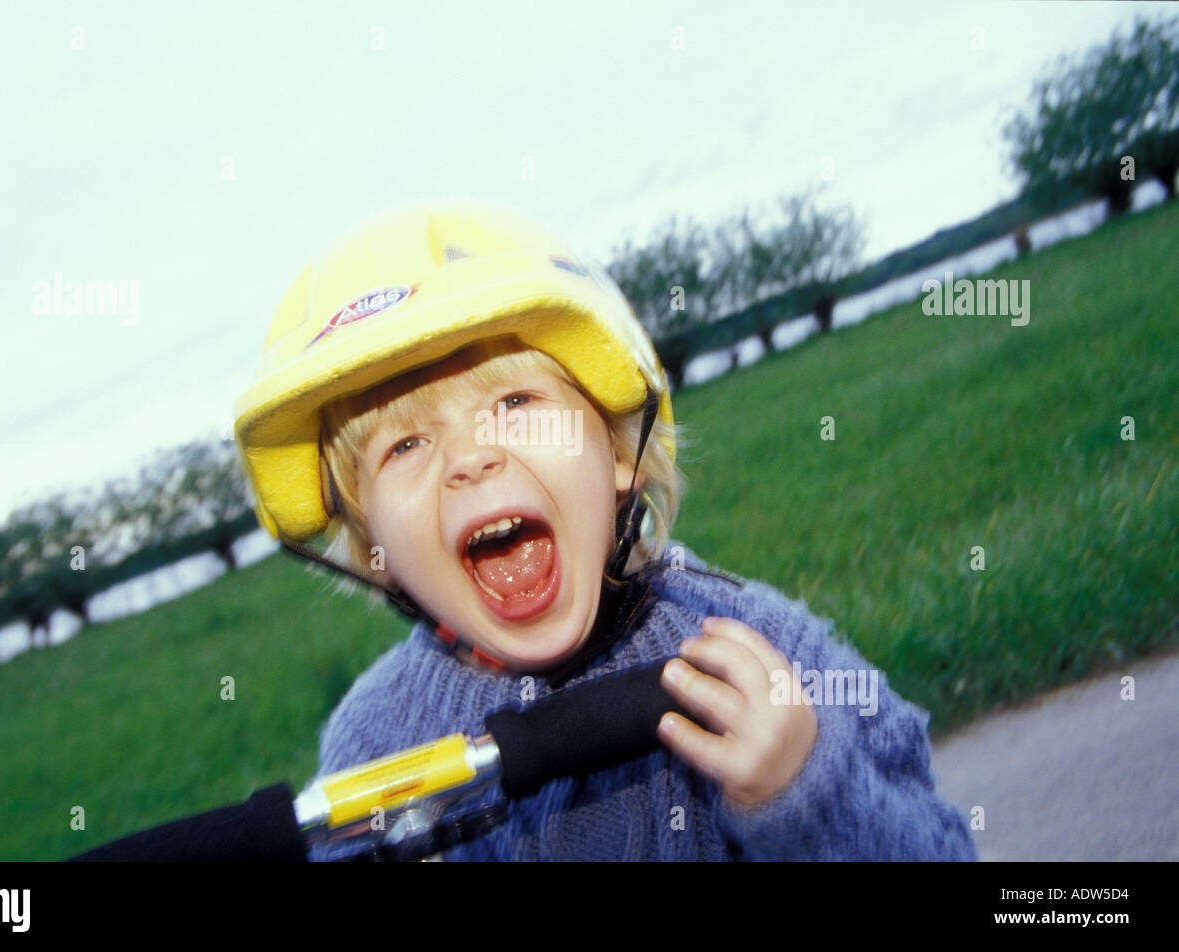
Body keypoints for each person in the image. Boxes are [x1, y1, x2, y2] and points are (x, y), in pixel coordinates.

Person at [232, 201, 978, 861]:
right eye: (404, 446)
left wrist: (802, 794)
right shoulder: (374, 745)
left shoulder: (756, 648)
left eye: (517, 402)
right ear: (376, 554)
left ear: (618, 453)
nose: (470, 458)